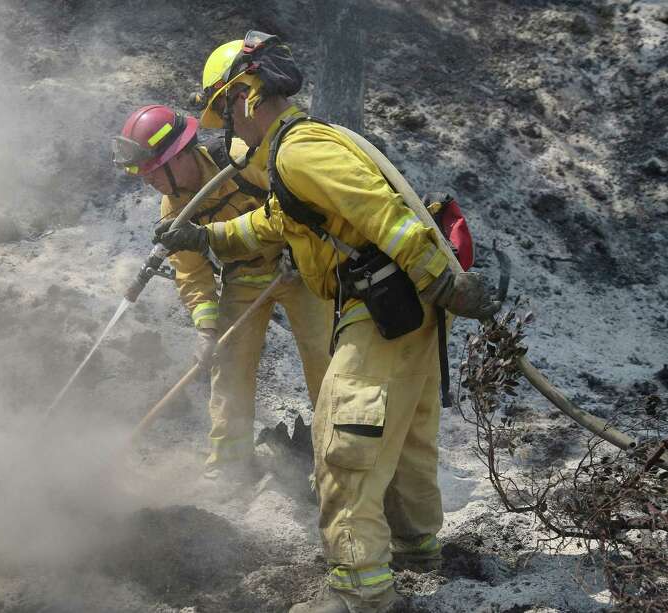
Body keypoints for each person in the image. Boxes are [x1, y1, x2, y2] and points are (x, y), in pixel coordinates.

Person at [154, 32, 500, 612]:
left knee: (346, 440)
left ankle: (358, 590)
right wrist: (203, 236)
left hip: (383, 304)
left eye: (225, 114)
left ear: (245, 95)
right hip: (405, 307)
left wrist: (441, 277)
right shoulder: (295, 155)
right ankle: (416, 548)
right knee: (407, 433)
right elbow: (271, 223)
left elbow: (381, 211)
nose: (227, 131)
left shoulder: (298, 151)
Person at [113, 104, 332, 480]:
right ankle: (231, 465)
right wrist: (206, 330)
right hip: (244, 279)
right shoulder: (175, 210)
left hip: (299, 273)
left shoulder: (240, 160)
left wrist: (301, 249)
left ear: (179, 156)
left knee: (324, 360)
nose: (149, 183)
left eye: (152, 173)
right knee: (229, 367)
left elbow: (299, 200)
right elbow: (192, 274)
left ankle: (334, 462)